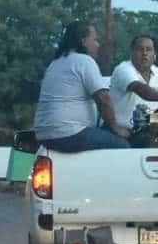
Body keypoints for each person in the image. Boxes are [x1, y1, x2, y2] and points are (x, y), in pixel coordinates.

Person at [33, 21, 131, 152]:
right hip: (69, 133)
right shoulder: (84, 61)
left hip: (44, 134)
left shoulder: (55, 63)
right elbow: (103, 100)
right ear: (84, 41)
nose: (98, 44)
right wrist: (116, 127)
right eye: (95, 40)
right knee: (124, 147)